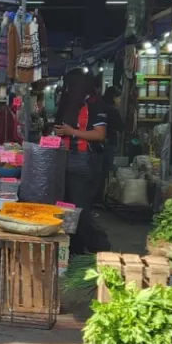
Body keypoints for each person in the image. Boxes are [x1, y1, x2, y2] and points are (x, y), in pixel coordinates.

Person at [54, 68, 112, 255]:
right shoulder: (71, 102)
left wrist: (71, 132)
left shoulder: (96, 104)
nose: (68, 90)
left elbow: (100, 135)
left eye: (70, 86)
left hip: (86, 161)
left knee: (81, 208)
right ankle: (75, 249)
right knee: (69, 206)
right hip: (67, 159)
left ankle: (101, 247)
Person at [96, 86, 125, 204]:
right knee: (105, 171)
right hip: (109, 144)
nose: (120, 100)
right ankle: (100, 198)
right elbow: (121, 127)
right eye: (118, 98)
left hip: (99, 144)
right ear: (113, 97)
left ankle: (97, 197)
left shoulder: (100, 107)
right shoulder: (113, 111)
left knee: (99, 171)